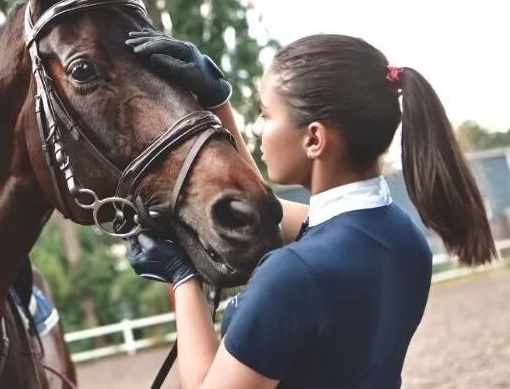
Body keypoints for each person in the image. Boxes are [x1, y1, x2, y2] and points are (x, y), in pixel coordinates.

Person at [123, 30, 497, 389]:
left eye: (266, 116)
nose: (256, 130)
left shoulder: (292, 276)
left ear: (315, 138)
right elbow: (266, 210)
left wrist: (183, 278)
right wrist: (218, 102)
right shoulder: (401, 236)